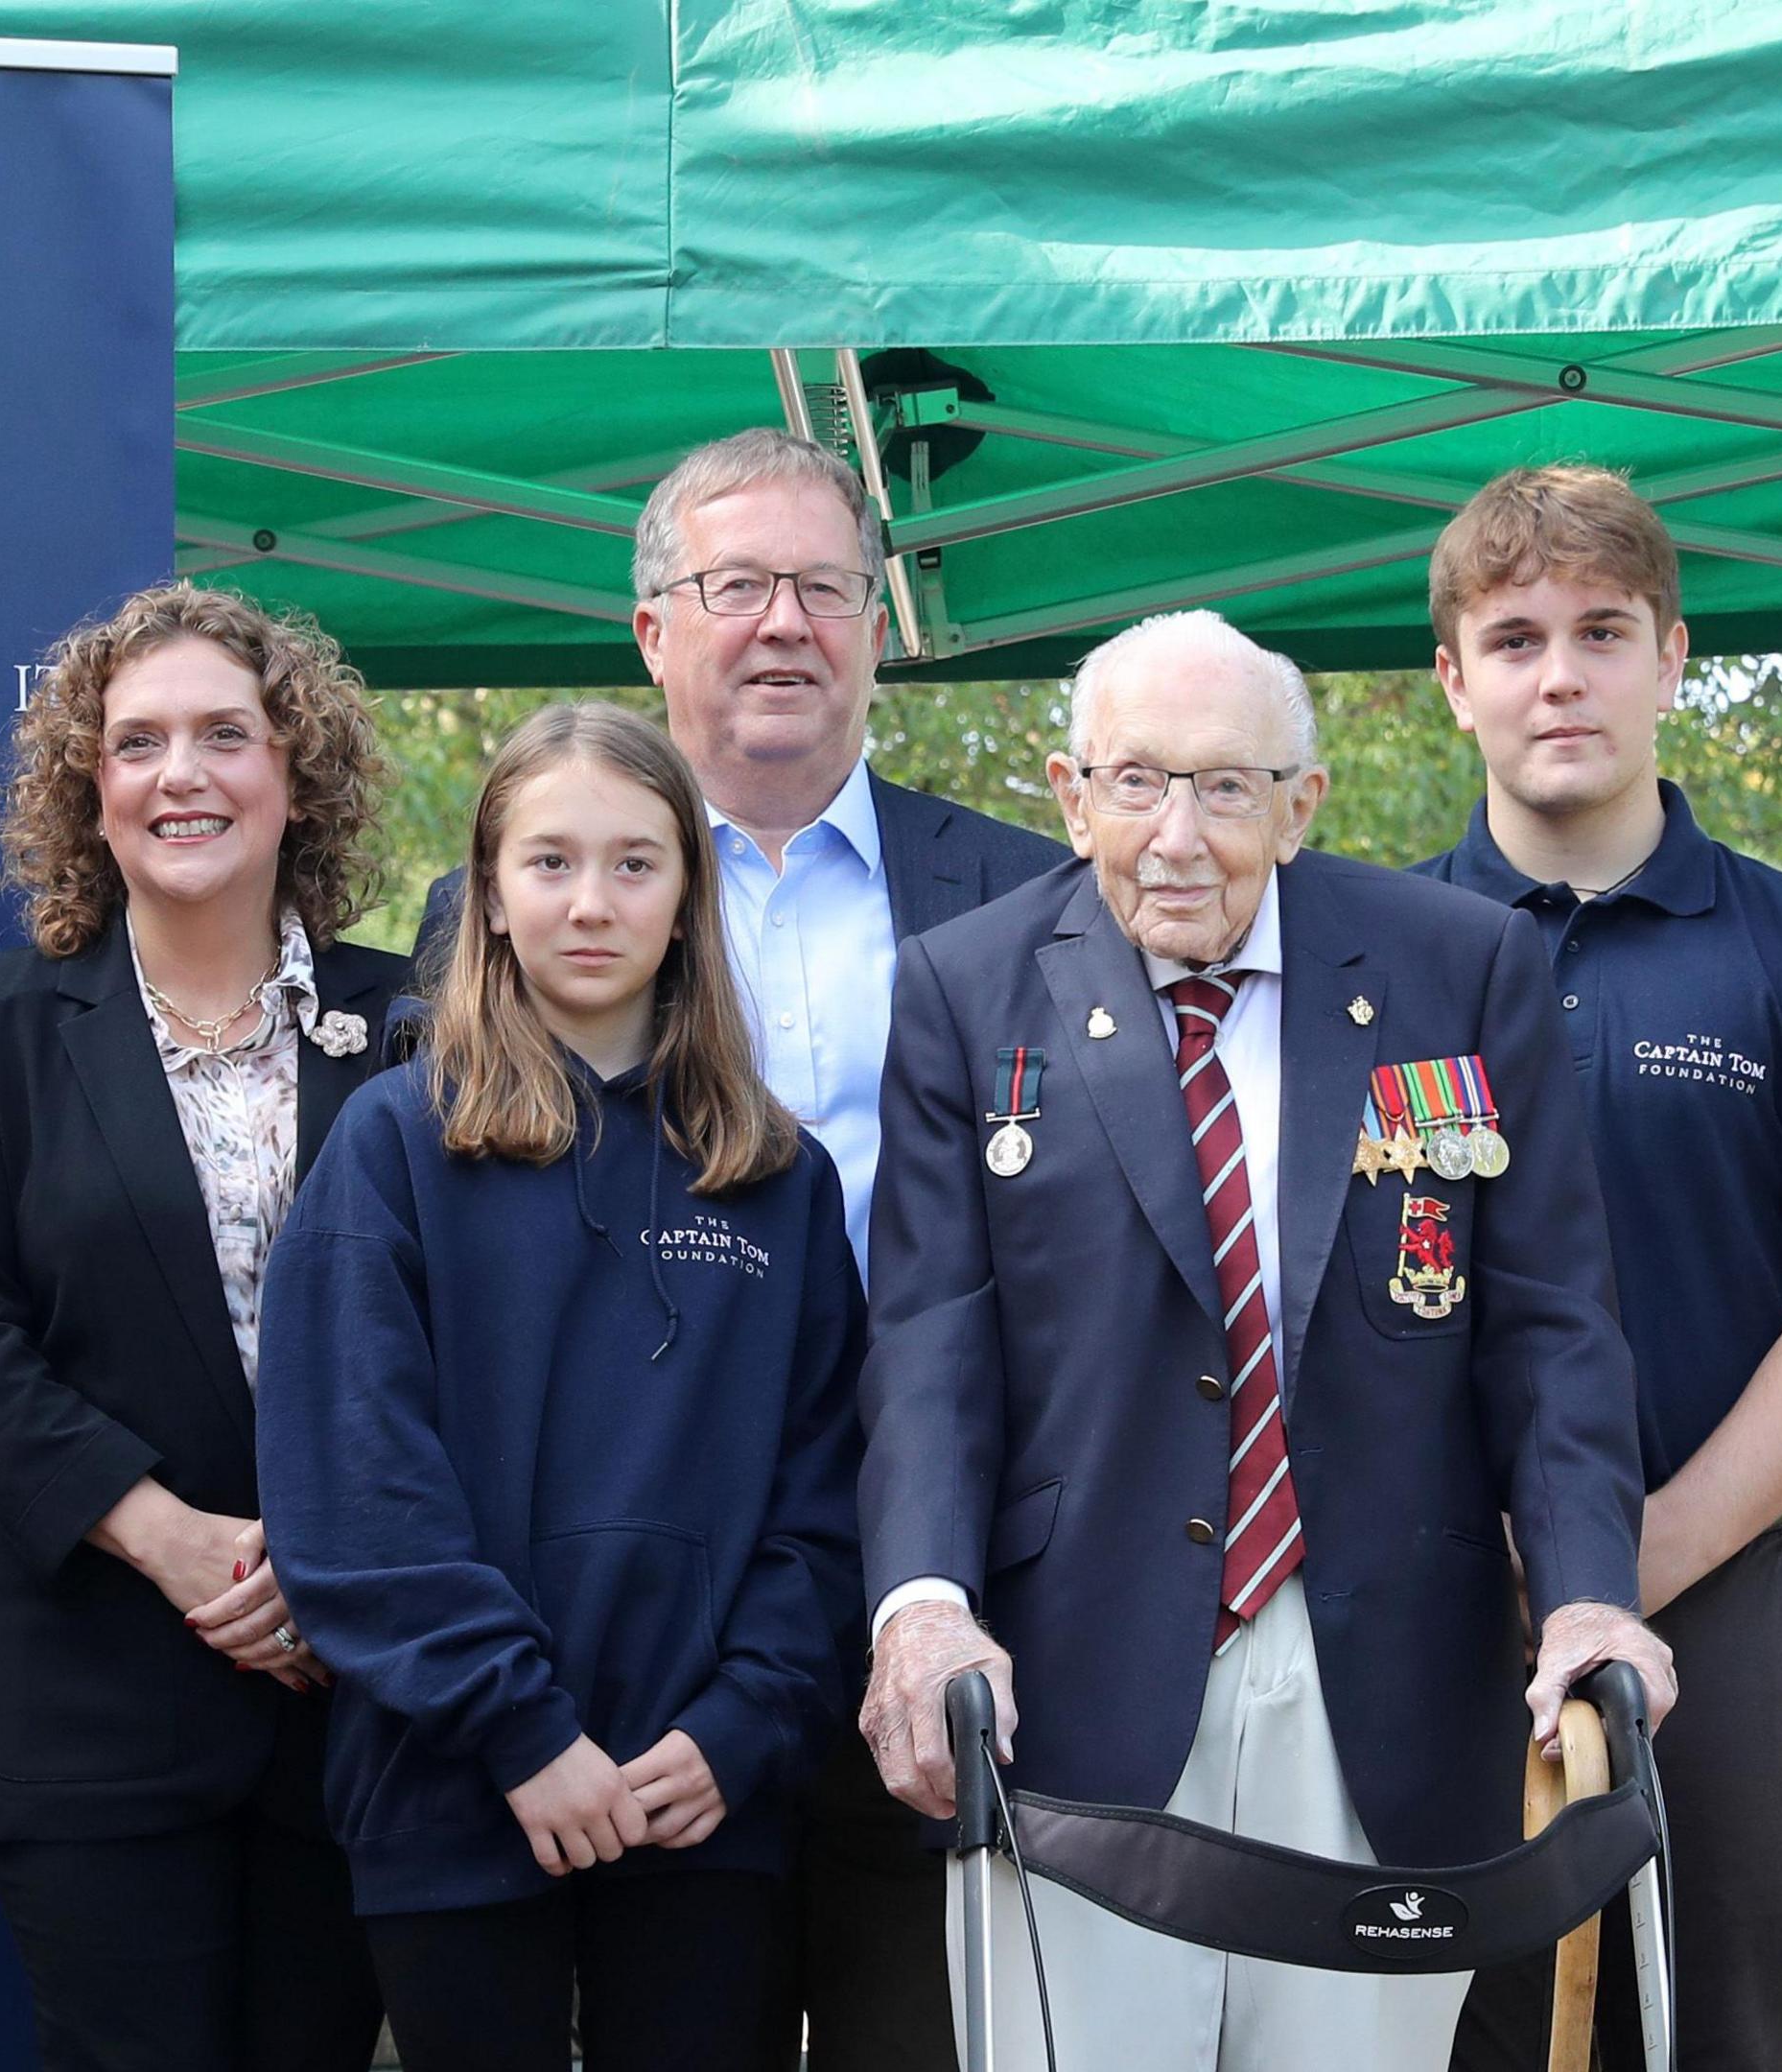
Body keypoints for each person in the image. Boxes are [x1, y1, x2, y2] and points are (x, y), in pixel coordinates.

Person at [858, 609, 1676, 2072]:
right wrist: (921, 1606)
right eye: (1136, 782)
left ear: (1302, 804)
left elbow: (1553, 1333)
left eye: (1227, 787)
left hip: (1381, 1679)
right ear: (1068, 792)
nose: (1178, 834)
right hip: (1071, 1698)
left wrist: (1589, 1596)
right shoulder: (963, 989)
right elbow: (930, 1346)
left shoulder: (1462, 969)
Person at [413, 428, 1063, 2069]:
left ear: (875, 624)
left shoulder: (1032, 902)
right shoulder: (502, 918)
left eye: (826, 588)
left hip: (946, 1597)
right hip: (627, 1628)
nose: (785, 623)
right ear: (652, 632)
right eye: (737, 586)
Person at [1412, 465, 1782, 2072]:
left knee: (1727, 2041)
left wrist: (1632, 1561)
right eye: (1513, 639)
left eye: (1600, 630)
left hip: (1715, 1606)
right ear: (1453, 681)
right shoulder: (1372, 957)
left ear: (1672, 655)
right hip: (1440, 1624)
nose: (1558, 673)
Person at [264, 702, 867, 2072]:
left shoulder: (772, 1177)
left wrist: (741, 1726)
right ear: (485, 893)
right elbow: (355, 1494)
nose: (590, 902)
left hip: (705, 1805)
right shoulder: (393, 1145)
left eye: (634, 863)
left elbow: (825, 1493)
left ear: (687, 895)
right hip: (457, 1795)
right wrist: (523, 1730)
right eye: (548, 863)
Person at [0, 582, 407, 2072]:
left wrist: (333, 1563)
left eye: (224, 735)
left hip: (361, 1704)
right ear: (91, 794)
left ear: (294, 774)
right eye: (137, 744)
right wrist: (178, 1540)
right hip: (95, 1715)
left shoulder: (421, 1023)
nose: (182, 774)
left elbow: (476, 1341)